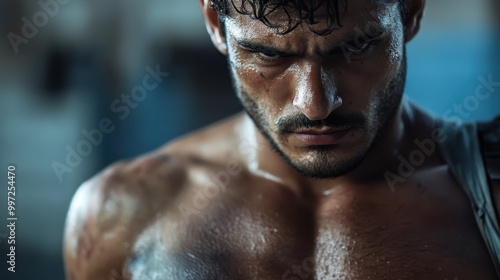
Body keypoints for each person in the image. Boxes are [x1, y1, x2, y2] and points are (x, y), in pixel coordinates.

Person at [63, 0, 500, 279]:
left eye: (355, 47)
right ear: (216, 24)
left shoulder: (489, 193)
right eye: (271, 54)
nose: (316, 105)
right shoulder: (115, 214)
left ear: (411, 12)